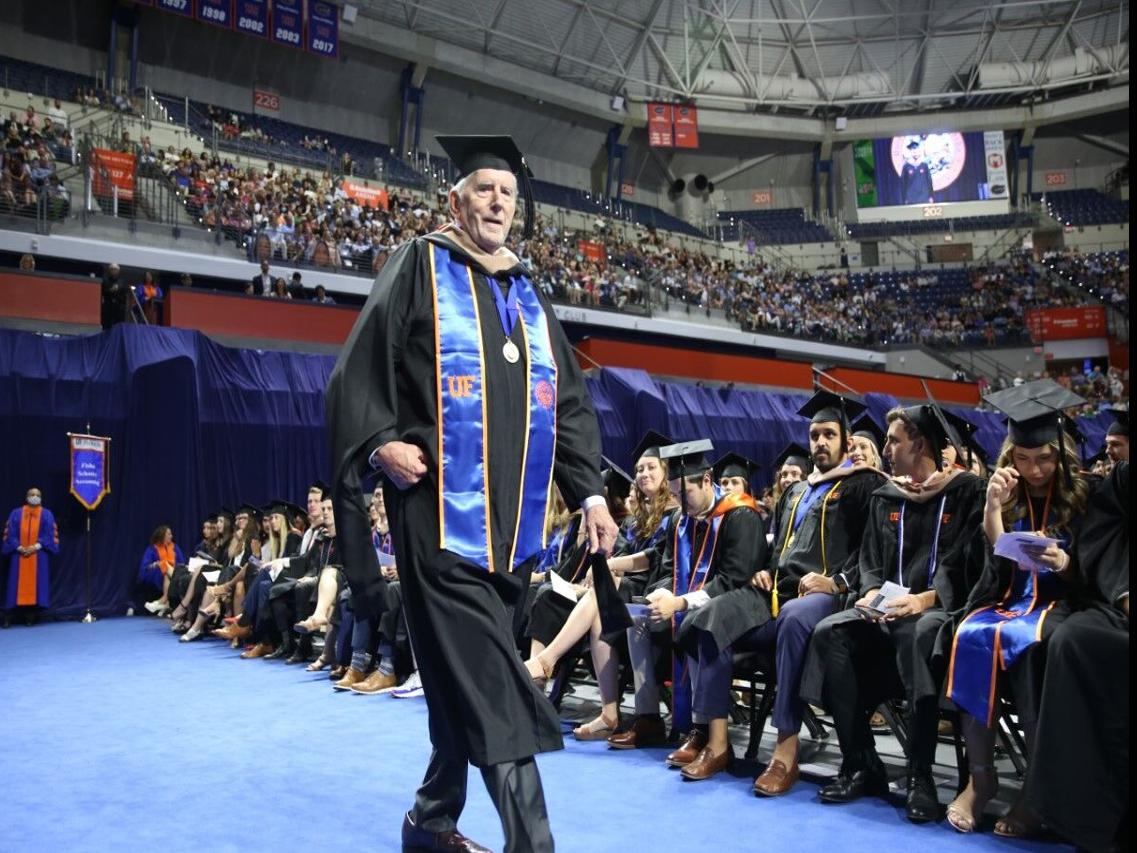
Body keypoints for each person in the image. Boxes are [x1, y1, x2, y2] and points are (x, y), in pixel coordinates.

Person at [326, 134, 618, 853]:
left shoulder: (525, 290)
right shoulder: (418, 263)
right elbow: (357, 369)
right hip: (440, 525)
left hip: (514, 540)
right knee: (491, 683)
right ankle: (533, 844)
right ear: (455, 199)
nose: (496, 202)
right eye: (484, 188)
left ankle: (429, 821)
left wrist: (591, 495)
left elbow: (569, 403)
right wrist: (378, 443)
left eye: (507, 193)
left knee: (461, 680)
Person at [675, 392, 884, 791]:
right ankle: (718, 744)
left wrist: (836, 582)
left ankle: (785, 749)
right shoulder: (796, 491)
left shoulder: (862, 486)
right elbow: (778, 550)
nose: (820, 442)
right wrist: (764, 571)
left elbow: (870, 551)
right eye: (814, 435)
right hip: (778, 593)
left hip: (828, 596)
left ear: (845, 439)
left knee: (793, 617)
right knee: (710, 616)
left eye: (828, 434)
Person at [802, 401, 986, 824]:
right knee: (830, 632)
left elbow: (965, 564)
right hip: (886, 610)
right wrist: (868, 594)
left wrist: (922, 601)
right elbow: (869, 558)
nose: (885, 447)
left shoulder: (965, 492)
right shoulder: (888, 495)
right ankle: (861, 761)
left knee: (916, 633)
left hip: (938, 612)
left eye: (893, 440)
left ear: (918, 443)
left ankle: (920, 773)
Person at [944, 380, 1089, 835]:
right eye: (1023, 459)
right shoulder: (1008, 491)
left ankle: (1034, 790)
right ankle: (980, 779)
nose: (1034, 469)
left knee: (1027, 647)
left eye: (1045, 458)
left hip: (1061, 604)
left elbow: (1100, 568)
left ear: (1061, 454)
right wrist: (993, 507)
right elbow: (996, 554)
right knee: (971, 633)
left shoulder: (1085, 495)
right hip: (1011, 601)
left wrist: (1065, 561)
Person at [607, 440, 765, 761]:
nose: (680, 502)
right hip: (687, 602)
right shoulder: (682, 520)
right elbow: (669, 569)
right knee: (635, 617)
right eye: (676, 495)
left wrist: (680, 602)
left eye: (685, 493)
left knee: (697, 620)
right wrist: (662, 592)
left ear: (707, 480)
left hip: (733, 608)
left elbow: (734, 580)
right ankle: (648, 717)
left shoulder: (740, 516)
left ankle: (701, 727)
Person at [1027, 462, 1128, 852]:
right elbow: (1107, 536)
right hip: (1121, 605)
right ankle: (1087, 823)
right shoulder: (1122, 480)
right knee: (1073, 640)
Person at [2, 487, 59, 627]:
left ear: (41, 498)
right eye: (32, 494)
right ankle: (8, 617)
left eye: (37, 495)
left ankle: (30, 615)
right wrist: (19, 547)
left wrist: (36, 546)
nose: (34, 497)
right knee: (14, 585)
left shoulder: (46, 514)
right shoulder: (16, 513)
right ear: (26, 496)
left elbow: (50, 534)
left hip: (38, 555)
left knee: (36, 585)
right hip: (18, 555)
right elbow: (10, 534)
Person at [138, 526, 185, 615]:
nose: (171, 536)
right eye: (169, 534)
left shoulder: (175, 547)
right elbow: (146, 567)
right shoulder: (152, 548)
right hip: (155, 574)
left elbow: (182, 563)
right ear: (162, 535)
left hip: (173, 572)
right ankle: (165, 602)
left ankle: (163, 601)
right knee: (165, 568)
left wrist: (173, 566)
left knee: (168, 570)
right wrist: (156, 564)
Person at [100, 263, 129, 329]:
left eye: (115, 269)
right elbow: (102, 291)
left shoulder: (122, 281)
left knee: (118, 326)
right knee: (107, 325)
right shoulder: (105, 280)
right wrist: (110, 290)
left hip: (119, 307)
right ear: (109, 270)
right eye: (112, 269)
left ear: (118, 271)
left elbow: (126, 292)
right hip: (108, 306)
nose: (113, 271)